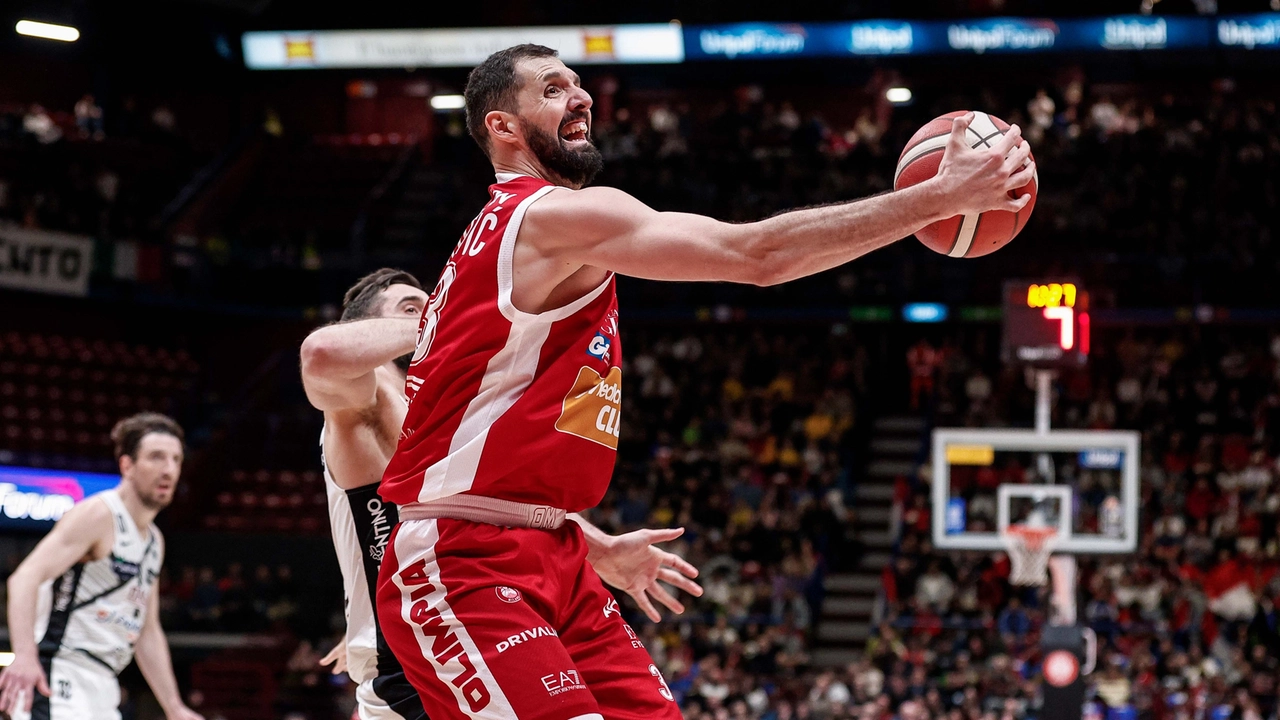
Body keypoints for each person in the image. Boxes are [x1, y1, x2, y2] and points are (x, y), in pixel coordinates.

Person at [375, 44, 1034, 720]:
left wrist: (587, 541)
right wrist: (934, 200)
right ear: (502, 127)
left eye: (578, 84)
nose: (581, 97)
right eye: (551, 89)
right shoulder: (548, 219)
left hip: (551, 549)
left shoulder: (513, 236)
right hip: (465, 564)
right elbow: (755, 256)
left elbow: (483, 434)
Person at [301, 269, 701, 720]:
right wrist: (446, 317)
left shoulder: (451, 410)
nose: (433, 309)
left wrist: (600, 548)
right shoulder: (369, 395)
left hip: (465, 617)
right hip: (414, 662)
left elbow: (494, 508)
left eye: (433, 302)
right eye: (411, 307)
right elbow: (323, 356)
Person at [0, 413, 202, 720]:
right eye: (157, 458)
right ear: (127, 466)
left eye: (176, 459)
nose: (169, 470)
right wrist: (25, 656)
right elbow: (24, 578)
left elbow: (147, 631)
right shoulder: (99, 514)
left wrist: (174, 707)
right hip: (58, 677)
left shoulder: (154, 542)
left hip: (103, 687)